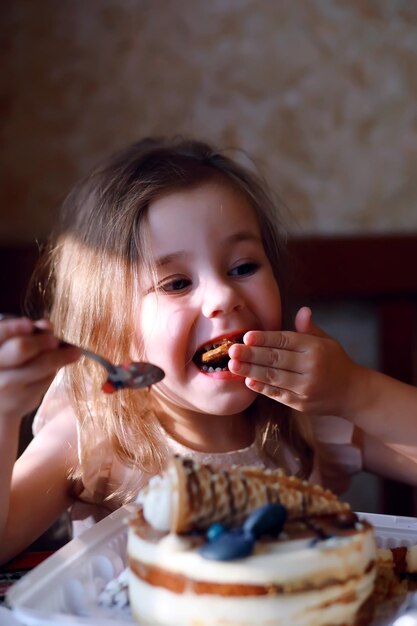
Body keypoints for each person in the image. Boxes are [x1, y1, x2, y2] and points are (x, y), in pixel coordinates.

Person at [1, 136, 417, 566]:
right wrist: (3, 410)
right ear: (109, 331)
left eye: (242, 267)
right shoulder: (96, 434)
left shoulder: (307, 416)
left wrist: (354, 391)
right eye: (176, 283)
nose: (223, 295)